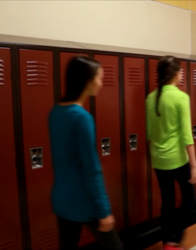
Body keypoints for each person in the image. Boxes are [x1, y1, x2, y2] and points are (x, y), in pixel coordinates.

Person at [48, 56, 123, 250]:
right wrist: (104, 210)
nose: (101, 83)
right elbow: (92, 168)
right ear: (87, 81)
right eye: (99, 78)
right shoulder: (82, 118)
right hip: (86, 202)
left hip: (62, 199)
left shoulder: (55, 113)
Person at [146, 56, 196, 250]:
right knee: (189, 198)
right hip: (178, 160)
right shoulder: (181, 97)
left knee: (167, 201)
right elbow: (187, 135)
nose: (182, 74)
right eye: (181, 70)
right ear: (176, 74)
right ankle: (175, 237)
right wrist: (194, 166)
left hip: (159, 160)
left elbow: (150, 133)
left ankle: (167, 241)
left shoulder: (151, 98)